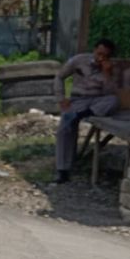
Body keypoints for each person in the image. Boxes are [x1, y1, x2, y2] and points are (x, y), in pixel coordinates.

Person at [52, 39, 119, 183]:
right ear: (94, 50)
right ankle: (63, 170)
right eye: (99, 53)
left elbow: (110, 92)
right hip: (77, 99)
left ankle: (81, 115)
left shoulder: (109, 67)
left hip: (96, 100)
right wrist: (61, 98)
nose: (100, 58)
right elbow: (59, 77)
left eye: (104, 56)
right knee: (65, 129)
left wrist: (107, 73)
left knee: (112, 101)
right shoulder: (78, 60)